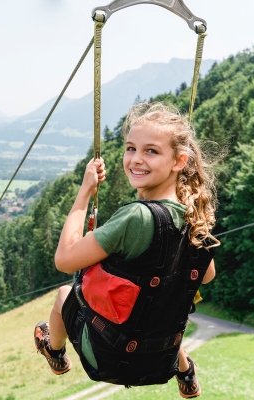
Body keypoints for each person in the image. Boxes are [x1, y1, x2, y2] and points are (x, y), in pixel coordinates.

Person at [34, 102, 219, 398]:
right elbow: (207, 276)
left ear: (179, 161)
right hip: (160, 360)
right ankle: (185, 373)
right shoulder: (193, 219)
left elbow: (65, 260)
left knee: (64, 296)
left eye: (151, 151)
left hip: (111, 357)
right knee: (159, 307)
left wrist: (85, 192)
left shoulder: (137, 217)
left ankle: (55, 354)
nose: (136, 159)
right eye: (131, 148)